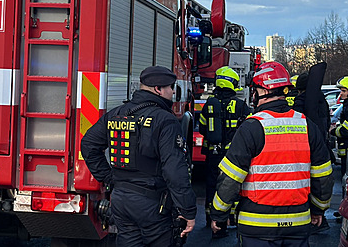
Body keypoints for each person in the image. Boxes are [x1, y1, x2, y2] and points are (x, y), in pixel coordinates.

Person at [210, 61, 334, 247]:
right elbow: (323, 176)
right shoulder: (307, 126)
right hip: (298, 223)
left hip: (256, 226)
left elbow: (230, 178)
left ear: (262, 91)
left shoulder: (251, 127)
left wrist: (219, 215)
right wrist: (319, 209)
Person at [81, 66, 196, 247]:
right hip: (153, 204)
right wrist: (187, 210)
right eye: (170, 87)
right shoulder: (165, 120)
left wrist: (109, 178)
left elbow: (88, 145)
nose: (173, 92)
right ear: (158, 89)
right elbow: (174, 171)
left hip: (120, 201)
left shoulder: (117, 113)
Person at [198, 66, 250, 237]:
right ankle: (229, 219)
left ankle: (209, 218)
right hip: (233, 155)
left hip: (213, 154)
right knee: (230, 185)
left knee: (212, 185)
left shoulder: (209, 105)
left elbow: (204, 129)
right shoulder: (241, 106)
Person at [292, 70, 332, 234]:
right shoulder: (321, 101)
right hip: (321, 145)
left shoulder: (301, 102)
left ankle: (312, 218)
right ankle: (320, 216)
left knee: (306, 183)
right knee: (320, 182)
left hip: (305, 148)